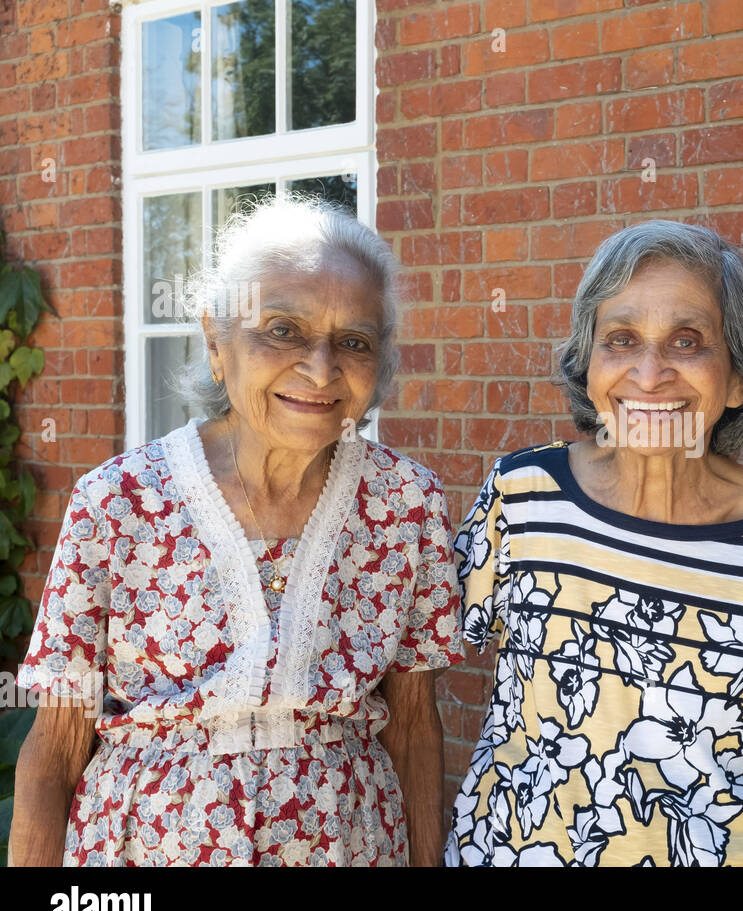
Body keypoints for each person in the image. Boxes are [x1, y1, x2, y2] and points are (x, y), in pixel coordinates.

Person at [10, 195, 462, 866]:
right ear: (217, 344)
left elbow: (416, 729)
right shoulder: (116, 502)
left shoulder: (406, 503)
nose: (320, 367)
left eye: (354, 342)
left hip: (350, 847)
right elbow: (55, 750)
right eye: (282, 329)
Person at [445, 220, 743, 866]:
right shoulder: (520, 496)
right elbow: (413, 665)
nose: (650, 374)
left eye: (688, 340)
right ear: (589, 369)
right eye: (621, 340)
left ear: (738, 377)